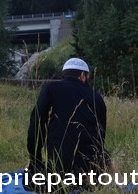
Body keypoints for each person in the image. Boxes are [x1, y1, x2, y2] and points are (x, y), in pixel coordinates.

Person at [25, 58, 109, 191]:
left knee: (30, 179)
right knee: (106, 155)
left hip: (57, 169)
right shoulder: (96, 97)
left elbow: (36, 124)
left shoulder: (51, 88)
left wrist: (35, 159)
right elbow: (100, 137)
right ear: (83, 75)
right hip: (89, 172)